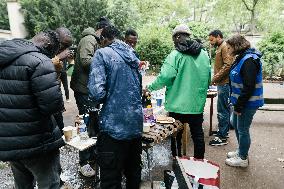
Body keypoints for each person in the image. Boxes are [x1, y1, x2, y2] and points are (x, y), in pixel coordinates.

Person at [0, 31, 65, 188]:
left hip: (9, 141)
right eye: (53, 52)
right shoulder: (40, 61)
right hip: (36, 141)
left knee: (22, 184)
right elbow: (52, 106)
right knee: (49, 184)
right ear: (48, 46)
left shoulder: (5, 55)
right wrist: (55, 76)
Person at [88, 25, 143, 189]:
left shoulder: (102, 53)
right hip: (135, 125)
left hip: (114, 127)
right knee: (133, 174)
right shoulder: (132, 54)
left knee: (111, 179)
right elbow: (138, 88)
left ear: (103, 40)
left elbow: (96, 93)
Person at [146, 24, 211, 159]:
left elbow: (165, 76)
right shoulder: (204, 54)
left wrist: (150, 87)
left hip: (177, 104)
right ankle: (198, 163)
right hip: (196, 104)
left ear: (177, 37)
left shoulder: (175, 54)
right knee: (197, 134)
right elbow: (208, 77)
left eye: (174, 39)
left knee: (176, 134)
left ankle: (177, 161)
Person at [70, 17, 111, 177]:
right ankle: (84, 162)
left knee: (94, 123)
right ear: (101, 30)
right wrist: (105, 58)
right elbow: (86, 61)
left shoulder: (95, 41)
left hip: (90, 89)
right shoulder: (89, 39)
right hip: (84, 89)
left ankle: (93, 156)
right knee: (86, 125)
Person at [225, 34, 264, 167]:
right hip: (240, 102)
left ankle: (243, 158)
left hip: (248, 103)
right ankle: (241, 150)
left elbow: (249, 86)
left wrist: (239, 106)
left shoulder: (249, 61)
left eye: (229, 47)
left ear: (236, 46)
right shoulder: (241, 57)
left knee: (242, 129)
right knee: (235, 124)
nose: (228, 50)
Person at [208, 30, 234, 146]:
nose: (211, 42)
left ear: (218, 37)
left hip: (224, 83)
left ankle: (222, 137)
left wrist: (215, 78)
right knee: (224, 109)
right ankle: (223, 132)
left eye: (212, 39)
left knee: (222, 110)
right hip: (222, 83)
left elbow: (228, 65)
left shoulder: (224, 47)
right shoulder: (220, 47)